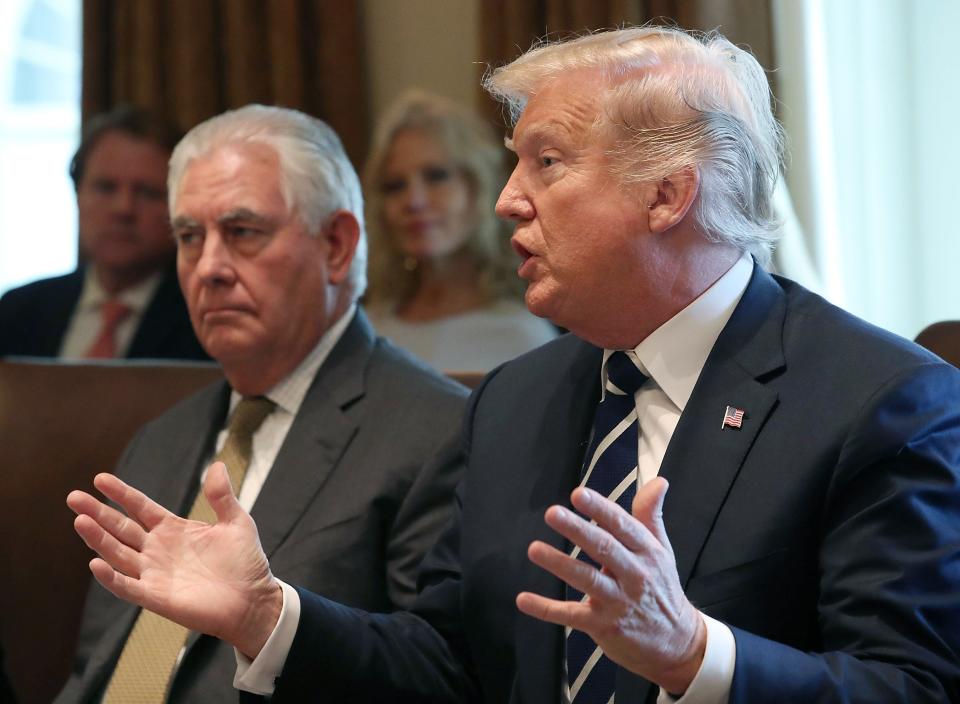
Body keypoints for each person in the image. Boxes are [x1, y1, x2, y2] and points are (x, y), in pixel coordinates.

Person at [68, 26, 960, 703]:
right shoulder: (515, 402)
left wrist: (695, 653)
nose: (506, 201)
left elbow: (914, 686)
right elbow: (448, 667)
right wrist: (268, 616)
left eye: (547, 162)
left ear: (667, 193)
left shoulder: (884, 402)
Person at [56, 105, 466, 703]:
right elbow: (94, 670)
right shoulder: (161, 439)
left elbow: (445, 679)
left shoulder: (438, 430)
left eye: (243, 232)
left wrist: (270, 621)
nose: (209, 268)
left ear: (335, 245)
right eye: (189, 237)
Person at [363, 90, 556, 371]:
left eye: (436, 176)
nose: (413, 201)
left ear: (477, 186)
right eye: (395, 186)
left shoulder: (522, 335)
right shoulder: (368, 331)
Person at [0, 106, 208, 361]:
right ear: (78, 195)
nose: (123, 209)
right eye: (106, 188)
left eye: (146, 192)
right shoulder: (19, 311)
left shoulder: (206, 317)